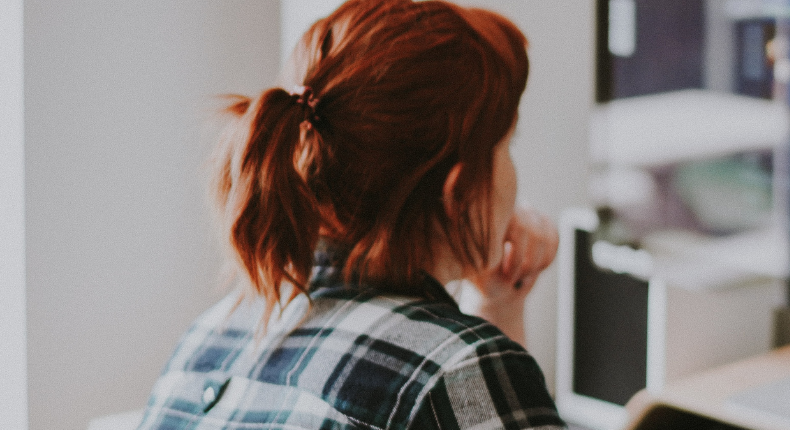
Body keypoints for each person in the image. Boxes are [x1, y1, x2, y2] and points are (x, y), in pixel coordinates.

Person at [136, 0, 564, 428]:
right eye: (507, 145)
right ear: (461, 190)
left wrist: (499, 302)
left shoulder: (207, 340)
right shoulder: (456, 369)